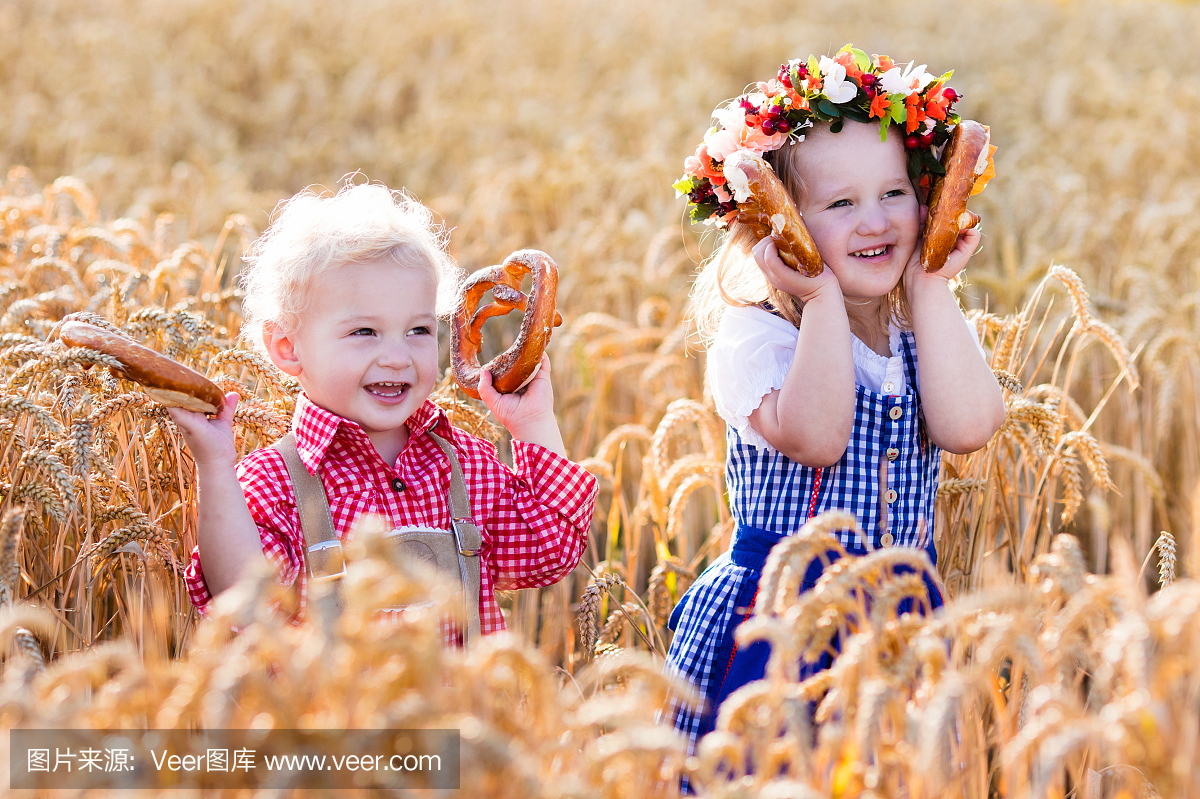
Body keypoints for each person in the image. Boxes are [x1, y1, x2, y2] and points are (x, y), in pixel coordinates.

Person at [666, 46, 1005, 753]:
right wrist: (818, 297)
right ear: (776, 219)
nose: (875, 221)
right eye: (841, 203)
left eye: (893, 193)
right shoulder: (759, 336)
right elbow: (818, 437)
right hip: (784, 620)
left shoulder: (920, 328)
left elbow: (970, 426)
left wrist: (933, 286)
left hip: (902, 623)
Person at [172, 181, 597, 642]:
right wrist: (214, 467)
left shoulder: (463, 465)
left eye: (417, 330)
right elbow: (246, 607)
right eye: (365, 332)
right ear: (288, 347)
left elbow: (549, 549)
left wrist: (532, 422)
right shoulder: (274, 484)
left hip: (466, 715)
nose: (398, 356)